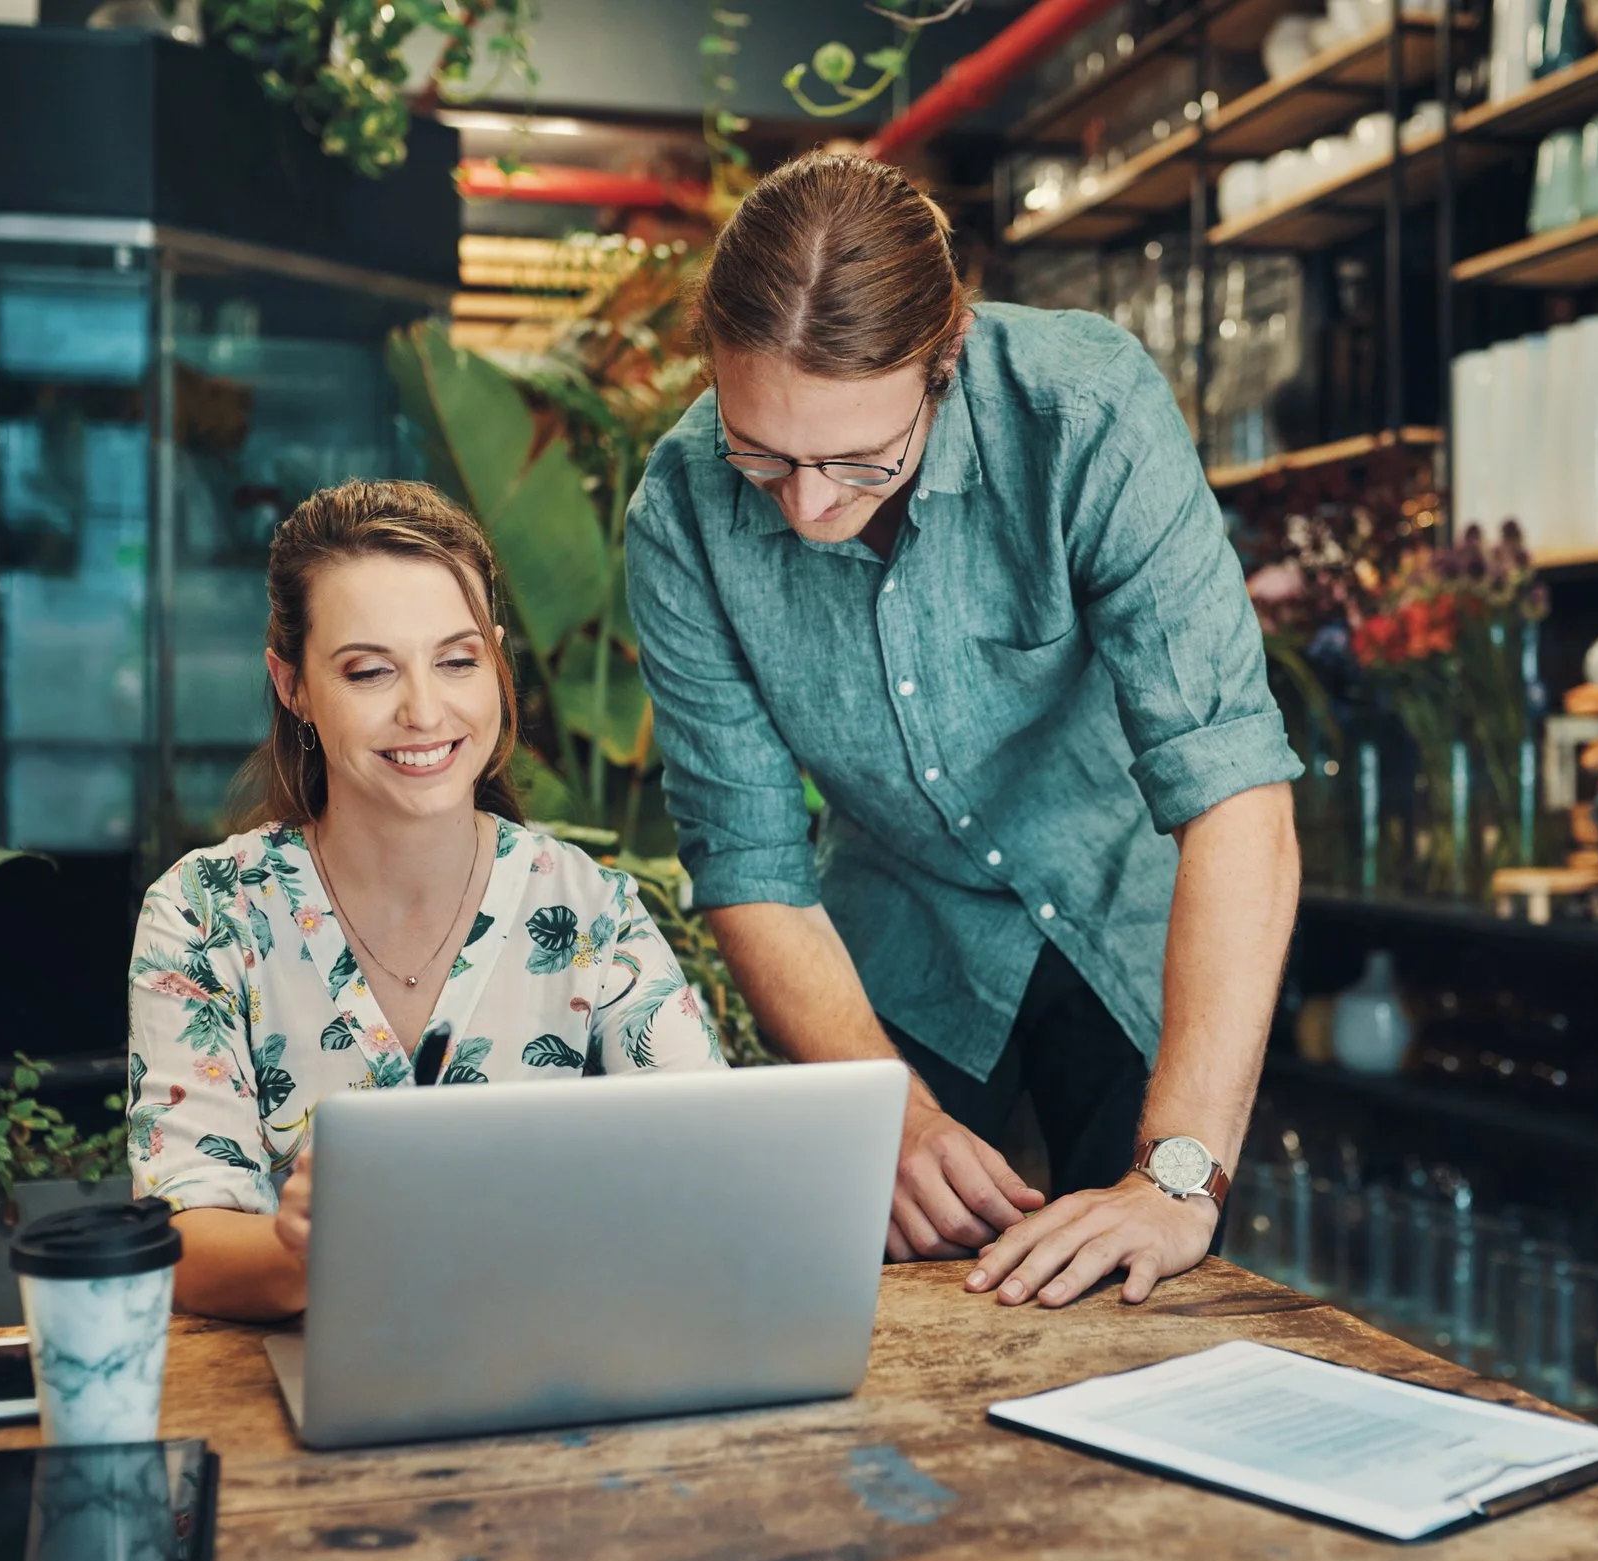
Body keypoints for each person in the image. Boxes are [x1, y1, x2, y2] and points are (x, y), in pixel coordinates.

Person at [625, 152, 1301, 1312]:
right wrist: (883, 1111)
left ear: (946, 359)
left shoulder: (1082, 407)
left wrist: (1177, 1177)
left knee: (1151, 1301)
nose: (807, 504)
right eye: (763, 456)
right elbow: (748, 863)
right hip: (900, 945)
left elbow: (1233, 788)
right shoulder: (682, 508)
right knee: (873, 1309)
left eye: (857, 459)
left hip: (1133, 919)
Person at [128, 480, 725, 1321]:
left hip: (554, 1374)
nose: (425, 710)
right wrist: (306, 1252)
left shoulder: (593, 911)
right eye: (370, 670)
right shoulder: (206, 913)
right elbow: (181, 1239)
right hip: (295, 1387)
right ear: (291, 684)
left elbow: (715, 1171)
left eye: (457, 660)